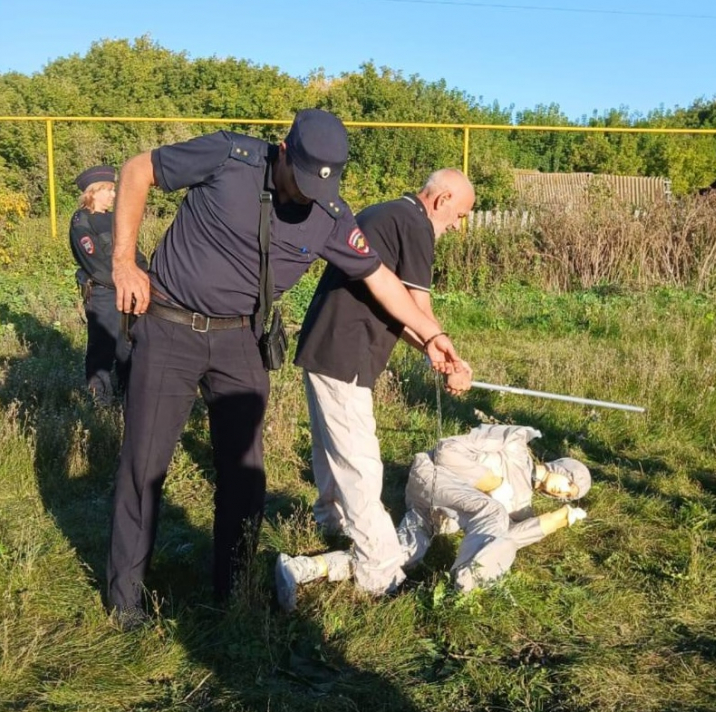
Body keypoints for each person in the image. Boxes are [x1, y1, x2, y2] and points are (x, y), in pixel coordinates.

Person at [105, 109, 464, 630]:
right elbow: (138, 169)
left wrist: (432, 336)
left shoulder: (332, 214)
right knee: (145, 466)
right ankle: (126, 600)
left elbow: (381, 279)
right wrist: (123, 261)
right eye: (303, 178)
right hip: (170, 327)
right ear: (283, 149)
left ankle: (233, 589)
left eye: (324, 183)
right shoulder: (228, 157)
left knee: (245, 477)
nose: (308, 195)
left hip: (239, 342)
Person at [290, 169, 476, 599]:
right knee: (360, 460)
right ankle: (380, 572)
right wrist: (448, 355)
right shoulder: (415, 224)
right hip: (346, 351)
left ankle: (330, 519)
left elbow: (394, 306)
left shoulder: (387, 212)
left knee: (329, 442)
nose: (456, 224)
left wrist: (434, 351)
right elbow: (417, 306)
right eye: (459, 214)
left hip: (324, 344)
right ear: (441, 198)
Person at [275, 424, 591, 611]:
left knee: (399, 554)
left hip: (435, 516)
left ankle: (301, 568)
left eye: (569, 497)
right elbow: (447, 450)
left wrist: (556, 520)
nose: (564, 494)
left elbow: (507, 541)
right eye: (569, 486)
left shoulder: (523, 504)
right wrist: (494, 483)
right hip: (432, 478)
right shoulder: (515, 444)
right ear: (563, 467)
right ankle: (464, 585)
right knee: (492, 509)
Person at [68, 165, 148, 405]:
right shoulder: (81, 220)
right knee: (102, 346)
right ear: (94, 191)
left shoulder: (114, 219)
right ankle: (99, 400)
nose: (114, 195)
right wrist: (125, 280)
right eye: (109, 190)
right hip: (103, 293)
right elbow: (94, 263)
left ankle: (127, 396)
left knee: (127, 345)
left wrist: (143, 277)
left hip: (127, 292)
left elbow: (134, 253)